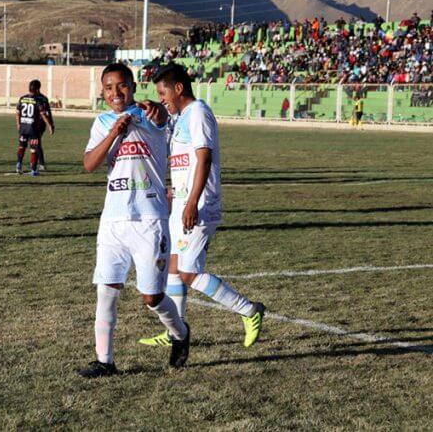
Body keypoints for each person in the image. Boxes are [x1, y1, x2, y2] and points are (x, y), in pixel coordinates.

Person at [138, 63, 265, 348]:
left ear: (178, 88)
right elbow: (184, 161)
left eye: (163, 93)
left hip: (199, 206)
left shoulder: (198, 113)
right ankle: (175, 332)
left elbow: (204, 158)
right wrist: (177, 195)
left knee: (188, 272)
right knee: (172, 267)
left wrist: (192, 202)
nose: (162, 99)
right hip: (182, 203)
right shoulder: (181, 117)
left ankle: (249, 310)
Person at [78, 63, 189, 378]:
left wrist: (160, 116)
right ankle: (105, 361)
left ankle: (180, 333)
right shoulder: (101, 123)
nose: (116, 93)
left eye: (122, 85)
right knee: (106, 290)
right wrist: (115, 131)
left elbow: (167, 124)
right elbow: (89, 164)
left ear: (133, 86)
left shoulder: (151, 115)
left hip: (149, 219)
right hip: (113, 219)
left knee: (152, 297)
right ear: (102, 92)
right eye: (109, 87)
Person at [15, 80, 53, 176]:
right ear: (38, 89)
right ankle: (33, 170)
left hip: (23, 127)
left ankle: (18, 165)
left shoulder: (22, 98)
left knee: (21, 146)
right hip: (33, 128)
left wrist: (18, 124)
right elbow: (43, 114)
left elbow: (17, 113)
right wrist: (49, 125)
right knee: (34, 149)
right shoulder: (38, 100)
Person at [32, 80, 54, 170]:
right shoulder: (44, 98)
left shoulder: (34, 98)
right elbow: (49, 112)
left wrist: (50, 125)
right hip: (42, 124)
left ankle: (41, 164)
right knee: (36, 143)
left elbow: (46, 112)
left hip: (36, 124)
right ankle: (37, 163)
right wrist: (51, 124)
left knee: (36, 144)